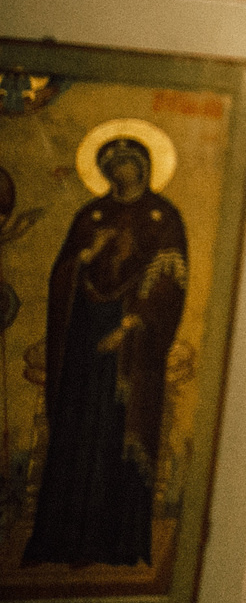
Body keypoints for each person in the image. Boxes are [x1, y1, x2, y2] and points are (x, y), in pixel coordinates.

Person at [26, 132, 186, 569]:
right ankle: (63, 540)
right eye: (113, 167)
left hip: (132, 342)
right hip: (85, 334)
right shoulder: (91, 215)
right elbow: (63, 273)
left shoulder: (163, 217)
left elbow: (171, 284)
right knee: (79, 430)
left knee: (116, 430)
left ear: (144, 168)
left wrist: (131, 325)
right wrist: (83, 257)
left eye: (128, 164)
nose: (121, 172)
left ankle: (115, 544)